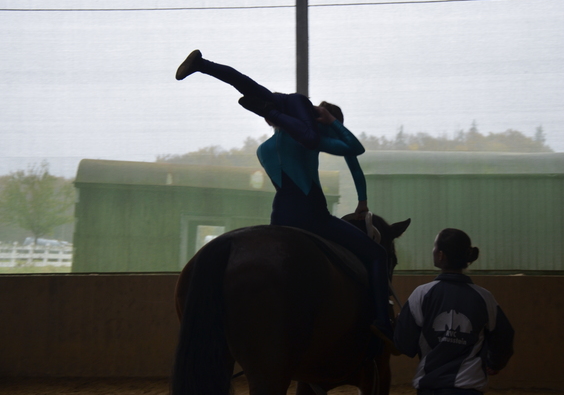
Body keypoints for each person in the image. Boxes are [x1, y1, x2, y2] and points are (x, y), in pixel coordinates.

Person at [176, 50, 395, 346]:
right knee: (377, 254)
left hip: (279, 219)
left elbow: (245, 83)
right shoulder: (311, 141)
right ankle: (383, 321)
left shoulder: (265, 149)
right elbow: (355, 149)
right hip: (313, 218)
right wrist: (332, 121)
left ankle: (203, 64)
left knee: (248, 84)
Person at [394, 229, 514, 394]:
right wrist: (495, 363)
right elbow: (504, 336)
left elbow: (404, 345)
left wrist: (399, 324)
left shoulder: (421, 294)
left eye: (435, 247)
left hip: (431, 388)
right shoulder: (485, 298)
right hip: (470, 389)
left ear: (441, 255)